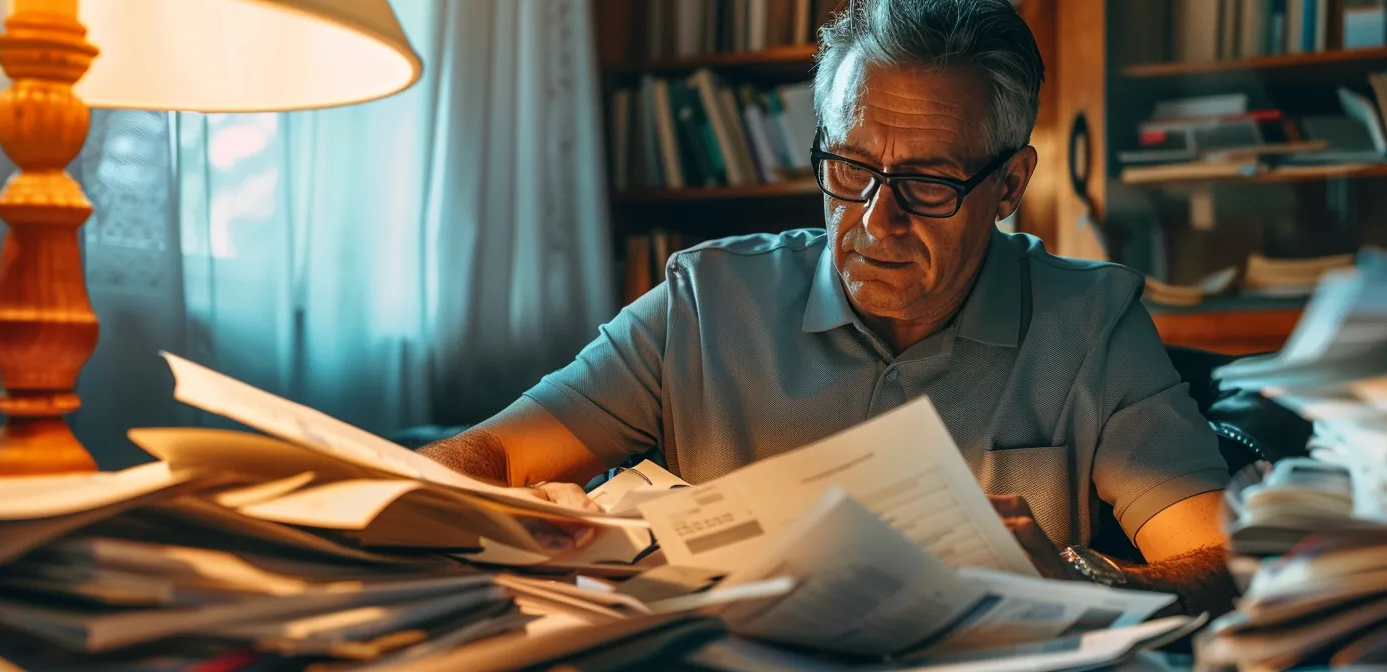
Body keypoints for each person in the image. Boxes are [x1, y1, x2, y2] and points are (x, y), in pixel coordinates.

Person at [420, 0, 1234, 615]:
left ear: (1010, 186)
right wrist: (510, 509)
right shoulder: (705, 303)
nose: (876, 220)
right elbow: (485, 457)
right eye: (849, 168)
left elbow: (1219, 556)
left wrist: (1081, 577)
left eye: (928, 182)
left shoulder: (1092, 322)